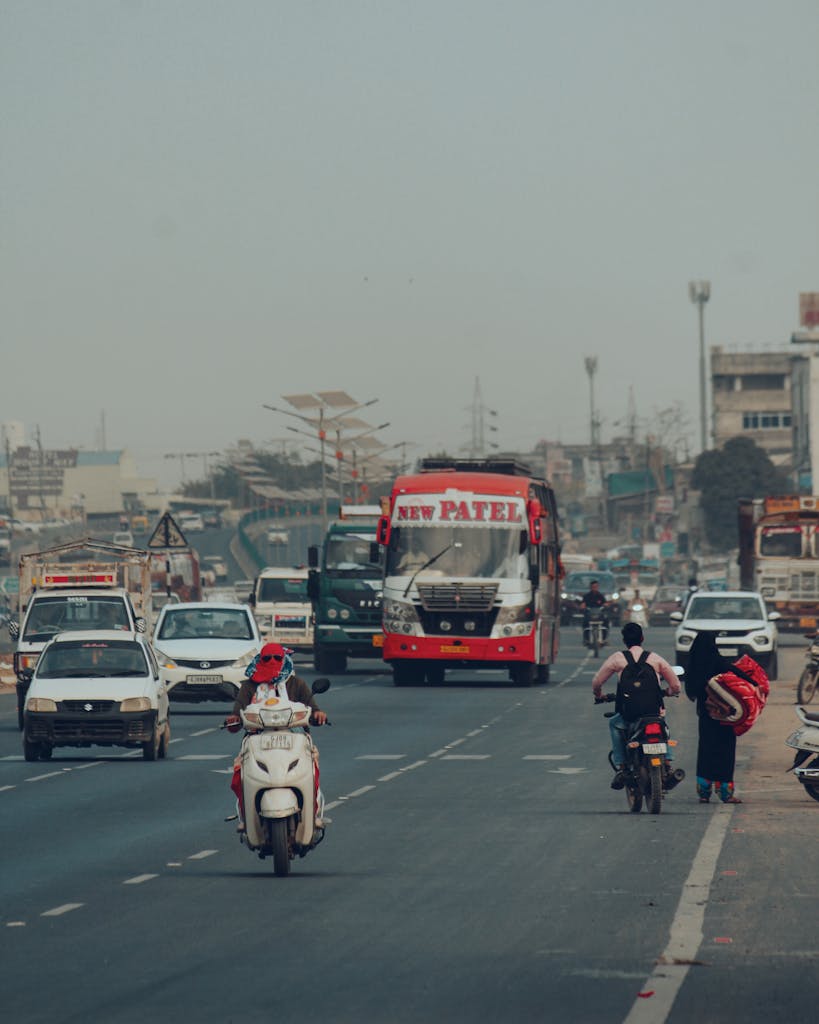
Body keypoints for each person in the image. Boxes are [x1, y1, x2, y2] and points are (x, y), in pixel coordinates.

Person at [224, 642, 327, 830]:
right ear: (259, 660)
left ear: (285, 660)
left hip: (295, 738)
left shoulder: (296, 684)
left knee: (312, 768)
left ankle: (313, 812)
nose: (272, 662)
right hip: (257, 739)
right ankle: (246, 816)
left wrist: (318, 715)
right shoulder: (249, 686)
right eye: (267, 658)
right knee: (241, 773)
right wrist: (232, 720)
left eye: (277, 658)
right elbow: (237, 713)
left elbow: (313, 709)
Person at [592, 622, 681, 789]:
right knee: (663, 727)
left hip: (628, 713)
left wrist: (599, 696)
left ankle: (622, 767)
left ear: (624, 640)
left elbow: (597, 681)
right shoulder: (655, 658)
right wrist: (668, 692)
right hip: (653, 712)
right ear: (642, 638)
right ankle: (668, 763)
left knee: (614, 724)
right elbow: (676, 686)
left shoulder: (618, 658)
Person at [684, 631, 748, 804]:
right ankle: (725, 792)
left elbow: (691, 688)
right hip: (725, 717)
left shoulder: (694, 665)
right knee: (725, 751)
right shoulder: (718, 662)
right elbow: (742, 677)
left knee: (706, 750)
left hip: (705, 715)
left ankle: (704, 793)